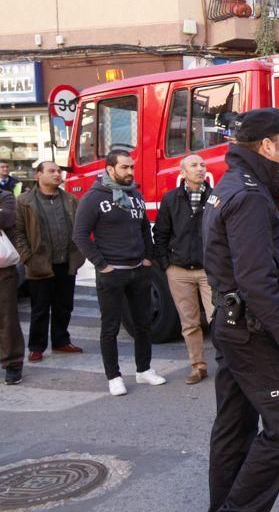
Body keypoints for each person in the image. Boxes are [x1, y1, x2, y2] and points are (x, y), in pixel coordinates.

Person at [201, 108, 279, 512]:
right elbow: (256, 279)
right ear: (267, 146)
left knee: (235, 423)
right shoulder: (249, 197)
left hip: (233, 324)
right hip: (252, 331)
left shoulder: (238, 188)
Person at [73, 150, 165, 396]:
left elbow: (145, 227)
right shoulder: (93, 197)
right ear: (110, 169)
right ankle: (113, 376)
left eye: (132, 167)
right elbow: (80, 235)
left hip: (139, 271)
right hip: (112, 273)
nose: (131, 172)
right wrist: (102, 265)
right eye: (125, 168)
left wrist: (148, 257)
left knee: (143, 324)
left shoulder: (134, 194)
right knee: (110, 327)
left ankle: (144, 370)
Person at [14, 161, 85, 363]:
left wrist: (79, 255)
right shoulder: (24, 201)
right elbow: (18, 233)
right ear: (38, 175)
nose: (57, 174)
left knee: (64, 305)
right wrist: (28, 258)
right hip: (39, 264)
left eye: (59, 171)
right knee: (40, 308)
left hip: (66, 262)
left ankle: (61, 340)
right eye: (51, 171)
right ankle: (37, 346)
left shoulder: (71, 199)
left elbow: (80, 229)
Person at [152, 154, 214, 385]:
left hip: (209, 271)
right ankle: (198, 367)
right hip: (179, 271)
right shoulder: (171, 199)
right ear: (183, 172)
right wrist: (166, 265)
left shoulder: (215, 197)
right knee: (189, 324)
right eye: (194, 165)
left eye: (202, 164)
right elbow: (160, 233)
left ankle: (228, 366)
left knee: (218, 319)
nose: (200, 169)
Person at [0, 187, 24, 384]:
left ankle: (13, 363)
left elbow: (6, 218)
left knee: (7, 318)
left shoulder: (5, 196)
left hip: (3, 270)